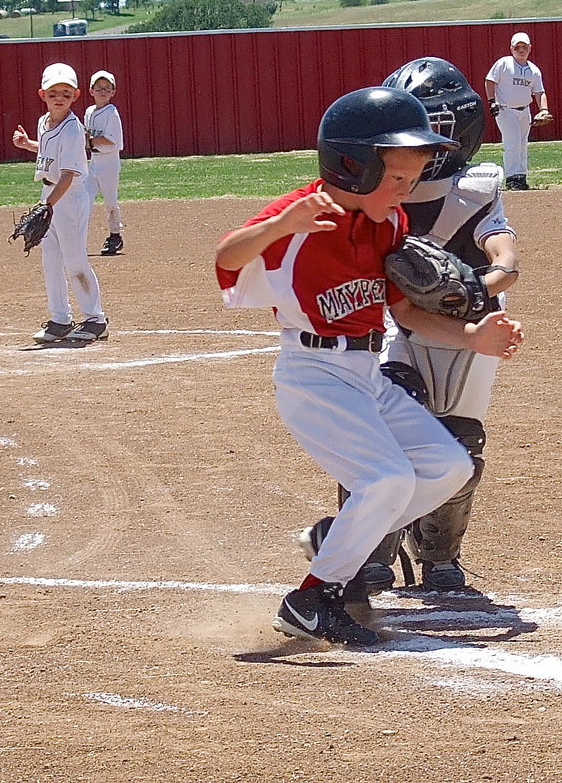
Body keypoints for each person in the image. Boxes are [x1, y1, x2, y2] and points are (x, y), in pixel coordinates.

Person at [215, 85, 524, 647]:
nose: (407, 189)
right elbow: (228, 257)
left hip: (365, 373)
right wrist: (282, 225)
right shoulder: (304, 214)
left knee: (448, 467)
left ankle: (336, 538)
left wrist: (472, 336)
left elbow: (404, 312)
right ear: (352, 166)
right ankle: (310, 601)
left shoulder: (388, 224)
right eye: (398, 177)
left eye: (413, 177)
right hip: (313, 373)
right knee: (387, 478)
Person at [299, 57, 520, 594]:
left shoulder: (475, 187)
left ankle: (440, 556)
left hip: (465, 323)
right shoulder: (372, 187)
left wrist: (476, 287)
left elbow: (505, 257)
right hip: (392, 319)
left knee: (460, 441)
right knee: (387, 421)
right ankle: (369, 551)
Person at [11, 63, 110, 344]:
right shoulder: (44, 122)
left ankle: (95, 319)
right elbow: (50, 152)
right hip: (50, 196)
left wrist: (47, 206)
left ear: (76, 96)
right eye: (53, 93)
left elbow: (68, 174)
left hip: (69, 198)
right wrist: (28, 144)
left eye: (66, 93)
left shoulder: (73, 129)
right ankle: (60, 319)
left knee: (74, 259)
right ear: (42, 94)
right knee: (51, 260)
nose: (59, 98)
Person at [485, 31, 550, 191]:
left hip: (524, 110)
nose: (521, 50)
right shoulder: (504, 63)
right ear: (511, 48)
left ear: (530, 48)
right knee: (512, 142)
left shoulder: (533, 70)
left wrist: (544, 109)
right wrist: (492, 101)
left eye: (524, 47)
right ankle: (512, 177)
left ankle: (521, 176)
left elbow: (539, 92)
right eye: (517, 47)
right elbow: (490, 81)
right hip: (506, 109)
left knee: (522, 144)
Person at [84, 69, 126, 256]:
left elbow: (113, 142)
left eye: (107, 88)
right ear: (91, 91)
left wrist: (90, 141)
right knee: (84, 200)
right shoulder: (89, 112)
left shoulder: (112, 113)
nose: (103, 91)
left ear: (113, 92)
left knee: (110, 202)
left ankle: (115, 236)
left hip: (109, 163)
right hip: (93, 162)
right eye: (99, 87)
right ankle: (77, 238)